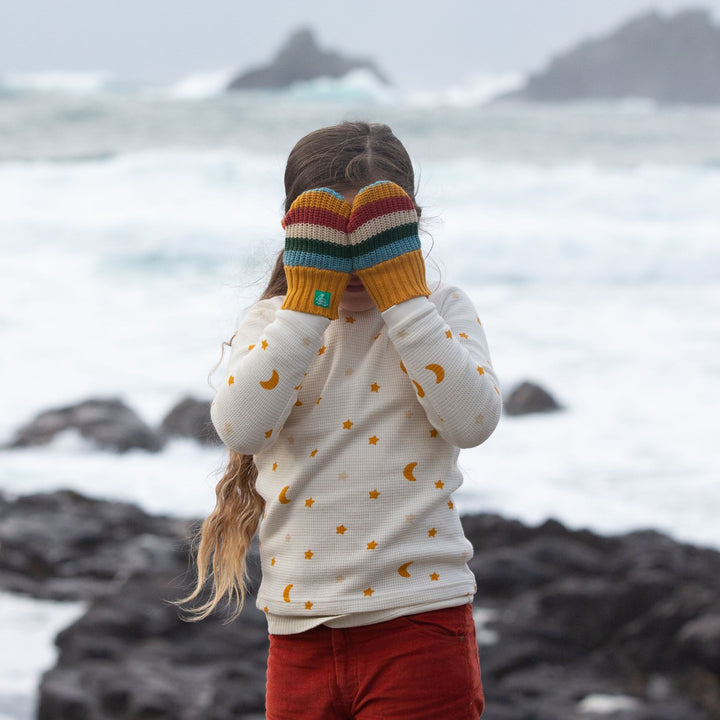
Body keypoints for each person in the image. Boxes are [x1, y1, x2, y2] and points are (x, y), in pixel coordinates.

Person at [185, 121, 502, 720]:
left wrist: (405, 300)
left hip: (420, 620)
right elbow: (241, 428)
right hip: (298, 630)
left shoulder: (439, 312)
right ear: (298, 232)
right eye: (339, 237)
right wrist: (308, 304)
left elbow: (474, 421)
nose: (359, 258)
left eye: (379, 235)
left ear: (409, 228)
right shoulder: (276, 325)